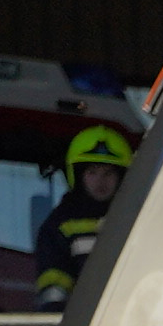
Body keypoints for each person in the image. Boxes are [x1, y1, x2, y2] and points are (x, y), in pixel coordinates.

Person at [29, 116, 135, 309]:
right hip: (81, 322)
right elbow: (54, 278)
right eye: (92, 173)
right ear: (78, 176)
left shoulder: (137, 217)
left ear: (122, 177)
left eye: (108, 173)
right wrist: (56, 316)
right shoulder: (61, 225)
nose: (100, 181)